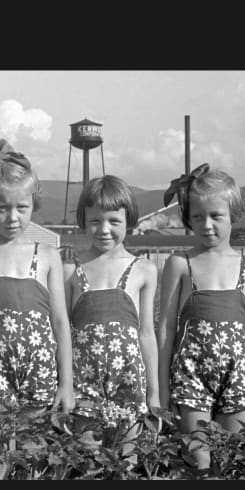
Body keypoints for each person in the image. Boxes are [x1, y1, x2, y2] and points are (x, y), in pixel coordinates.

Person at [157, 164, 245, 470]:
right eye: (197, 217)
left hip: (238, 377)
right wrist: (163, 387)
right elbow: (166, 328)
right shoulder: (180, 264)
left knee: (227, 458)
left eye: (216, 216)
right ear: (187, 219)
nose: (206, 225)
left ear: (234, 214)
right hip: (190, 376)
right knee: (199, 457)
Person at [0, 139, 75, 418]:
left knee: (35, 456)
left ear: (34, 204)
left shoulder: (48, 255)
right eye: (2, 208)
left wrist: (66, 384)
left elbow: (60, 322)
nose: (12, 217)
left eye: (21, 208)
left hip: (41, 381)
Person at [63, 175, 160, 443]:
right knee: (86, 459)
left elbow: (147, 335)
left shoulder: (144, 270)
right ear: (83, 221)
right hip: (82, 385)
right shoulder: (70, 270)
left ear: (129, 221)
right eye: (95, 221)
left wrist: (154, 393)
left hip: (129, 383)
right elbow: (60, 332)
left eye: (114, 221)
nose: (104, 229)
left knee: (125, 459)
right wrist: (63, 385)